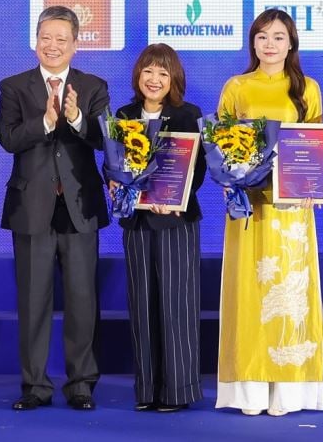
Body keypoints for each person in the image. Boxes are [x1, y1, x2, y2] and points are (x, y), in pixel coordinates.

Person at [215, 8, 323, 416]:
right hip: (248, 207)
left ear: (291, 43)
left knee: (289, 292)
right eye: (262, 36)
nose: (270, 44)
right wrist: (230, 178)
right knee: (249, 291)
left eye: (278, 37)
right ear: (253, 42)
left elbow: (314, 145)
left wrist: (313, 186)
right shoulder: (236, 86)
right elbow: (220, 144)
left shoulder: (308, 88)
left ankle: (289, 391)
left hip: (291, 210)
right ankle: (249, 390)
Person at [0, 5, 110, 411]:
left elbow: (104, 140)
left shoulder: (93, 86)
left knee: (82, 300)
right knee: (33, 302)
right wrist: (44, 122)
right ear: (36, 42)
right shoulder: (14, 86)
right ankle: (35, 385)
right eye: (46, 38)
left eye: (62, 39)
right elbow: (8, 138)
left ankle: (81, 384)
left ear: (76, 45)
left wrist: (76, 117)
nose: (53, 45)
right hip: (32, 207)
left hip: (80, 207)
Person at [113, 43, 207, 412]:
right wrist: (114, 181)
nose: (154, 79)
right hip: (137, 222)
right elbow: (113, 162)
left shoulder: (187, 115)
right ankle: (148, 389)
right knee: (142, 305)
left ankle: (178, 391)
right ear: (138, 74)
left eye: (163, 73)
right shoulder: (123, 115)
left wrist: (176, 195)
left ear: (174, 79)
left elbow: (197, 169)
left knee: (176, 305)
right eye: (148, 71)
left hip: (175, 221)